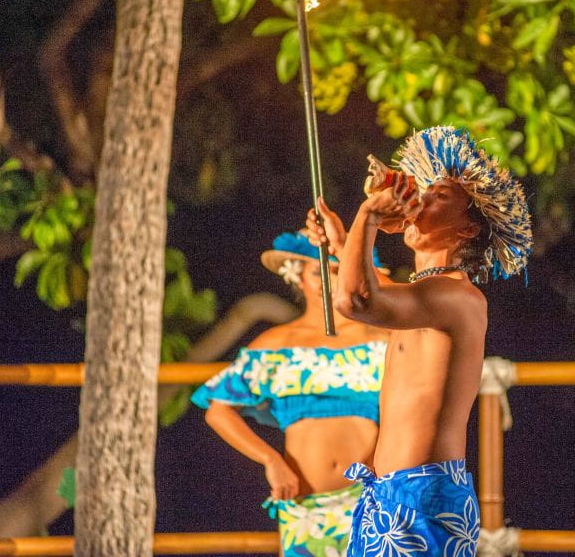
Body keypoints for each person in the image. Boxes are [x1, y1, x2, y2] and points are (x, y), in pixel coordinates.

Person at [317, 125, 532, 556]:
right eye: (424, 191)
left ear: (469, 229)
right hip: (389, 495)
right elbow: (377, 290)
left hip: (423, 499)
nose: (423, 200)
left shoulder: (459, 297)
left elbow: (356, 300)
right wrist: (345, 244)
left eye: (441, 197)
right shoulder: (427, 295)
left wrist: (369, 217)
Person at [191, 227, 391, 557]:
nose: (330, 280)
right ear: (297, 277)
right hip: (305, 509)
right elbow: (218, 409)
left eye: (339, 269)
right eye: (319, 271)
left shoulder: (380, 339)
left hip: (375, 500)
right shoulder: (276, 346)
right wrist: (271, 460)